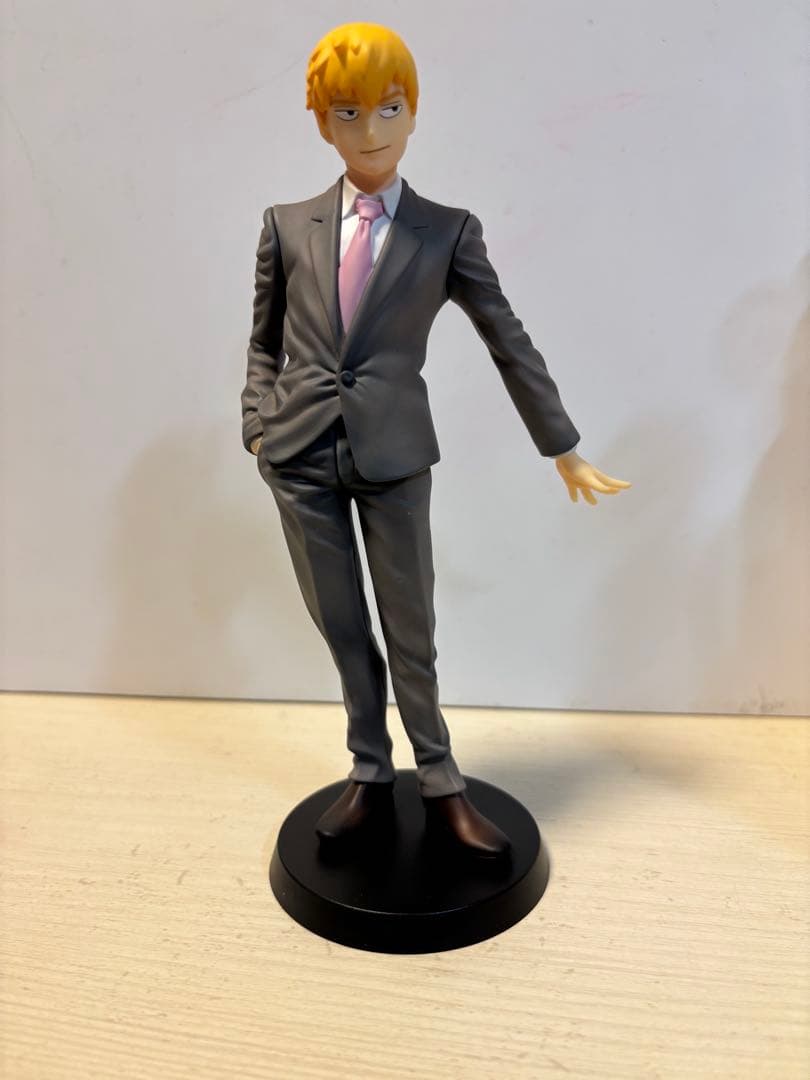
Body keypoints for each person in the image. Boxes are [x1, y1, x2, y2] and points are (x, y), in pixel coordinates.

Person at [241, 22, 630, 858]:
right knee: (343, 626)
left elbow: (506, 337)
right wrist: (257, 426)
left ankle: (442, 779)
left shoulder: (445, 231)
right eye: (349, 112)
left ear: (414, 112)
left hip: (394, 457)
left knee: (410, 628)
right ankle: (369, 770)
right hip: (299, 456)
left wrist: (560, 445)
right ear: (322, 121)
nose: (370, 131)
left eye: (389, 108)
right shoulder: (286, 224)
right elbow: (263, 340)